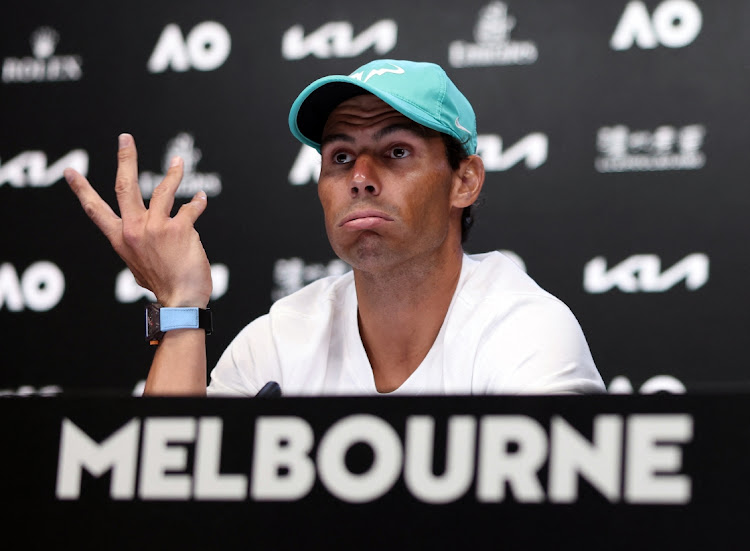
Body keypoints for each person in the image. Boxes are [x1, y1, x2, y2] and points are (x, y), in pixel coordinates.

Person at [64, 59, 605, 396]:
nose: (362, 179)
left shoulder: (525, 332)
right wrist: (181, 300)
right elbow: (166, 509)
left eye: (396, 152)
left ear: (464, 181)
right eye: (341, 158)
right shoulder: (279, 340)